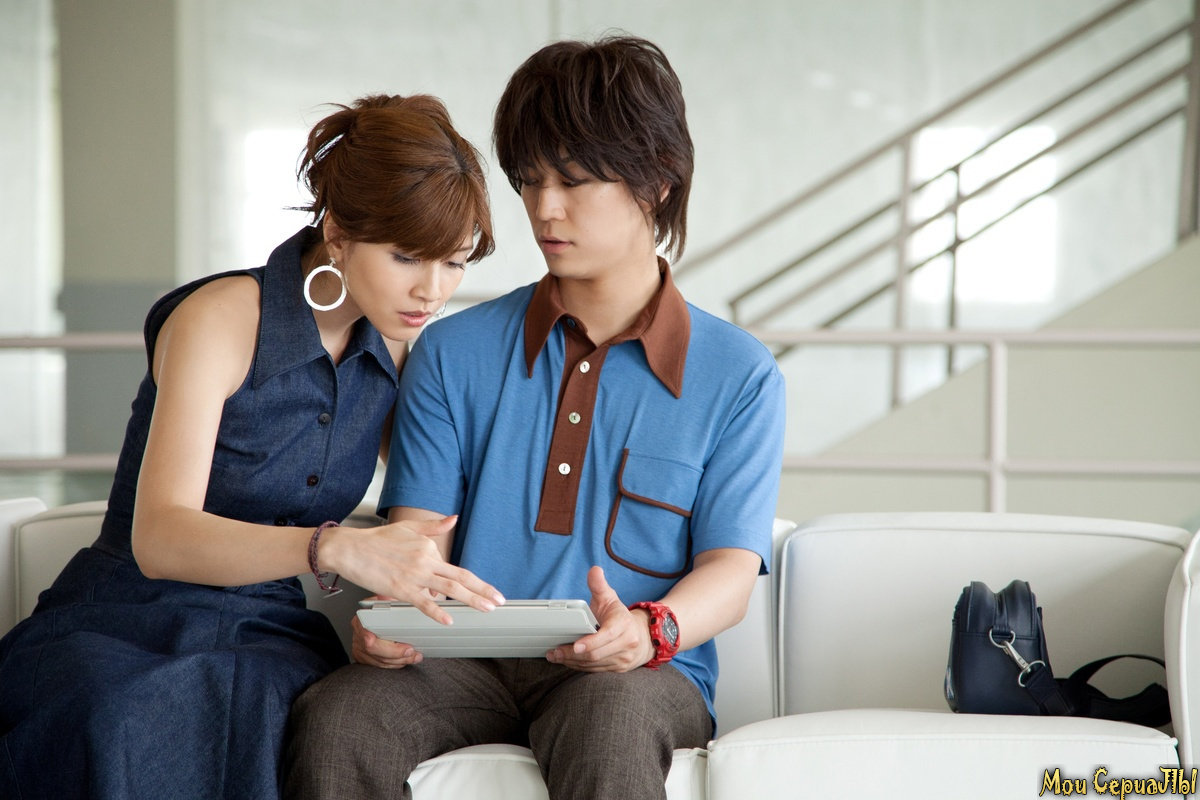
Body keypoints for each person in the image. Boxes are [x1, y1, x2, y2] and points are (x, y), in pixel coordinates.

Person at [284, 35, 786, 800]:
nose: (544, 209)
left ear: (656, 181)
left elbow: (730, 572)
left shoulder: (739, 374)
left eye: (574, 181)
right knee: (339, 718)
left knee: (610, 724)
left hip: (633, 670)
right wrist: (395, 617)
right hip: (458, 659)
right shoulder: (451, 351)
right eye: (529, 180)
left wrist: (651, 630)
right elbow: (421, 541)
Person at [0, 93, 504, 800]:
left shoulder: (396, 346)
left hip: (267, 632)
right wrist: (332, 547)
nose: (433, 290)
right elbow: (160, 536)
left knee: (291, 719)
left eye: (454, 263)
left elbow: (433, 507)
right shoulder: (220, 318)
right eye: (406, 257)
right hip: (125, 619)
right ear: (338, 232)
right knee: (125, 719)